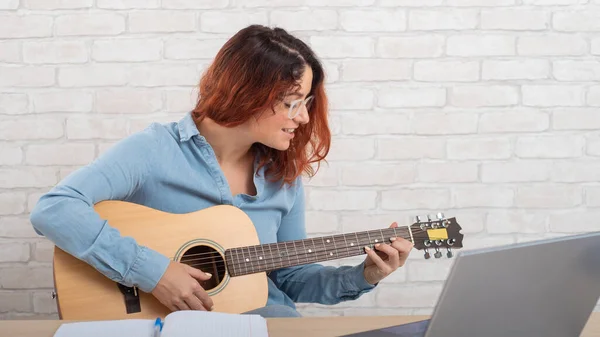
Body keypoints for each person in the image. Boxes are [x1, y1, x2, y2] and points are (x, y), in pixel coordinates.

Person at [29, 24, 414, 318]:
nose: (304, 117)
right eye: (292, 102)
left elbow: (290, 279)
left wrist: (365, 275)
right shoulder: (155, 150)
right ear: (249, 94)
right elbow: (55, 208)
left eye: (306, 102)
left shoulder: (284, 177)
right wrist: (155, 272)